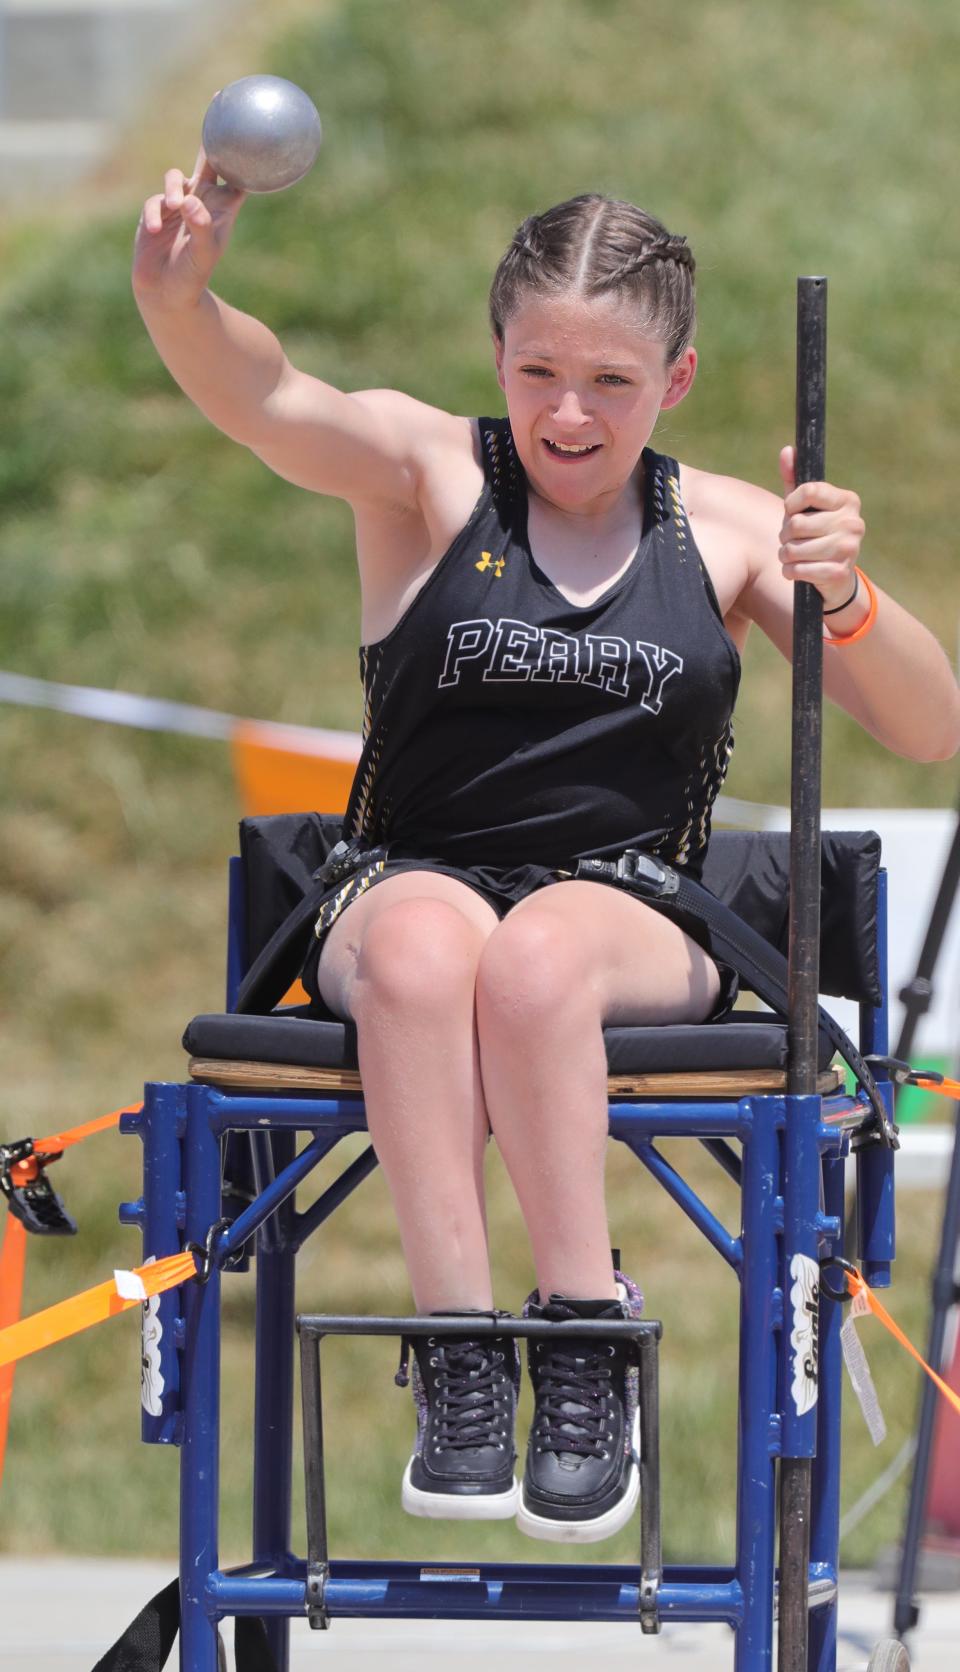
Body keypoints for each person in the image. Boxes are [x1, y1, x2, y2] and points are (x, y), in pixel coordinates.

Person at [133, 164, 960, 1544]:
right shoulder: (426, 470)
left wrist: (851, 595)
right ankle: (458, 1347)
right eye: (538, 371)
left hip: (631, 907)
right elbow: (267, 396)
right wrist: (182, 295)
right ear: (496, 355)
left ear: (677, 380)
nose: (568, 414)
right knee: (420, 945)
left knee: (535, 957)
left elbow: (929, 728)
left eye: (612, 382)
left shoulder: (740, 532)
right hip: (406, 873)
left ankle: (586, 1337)